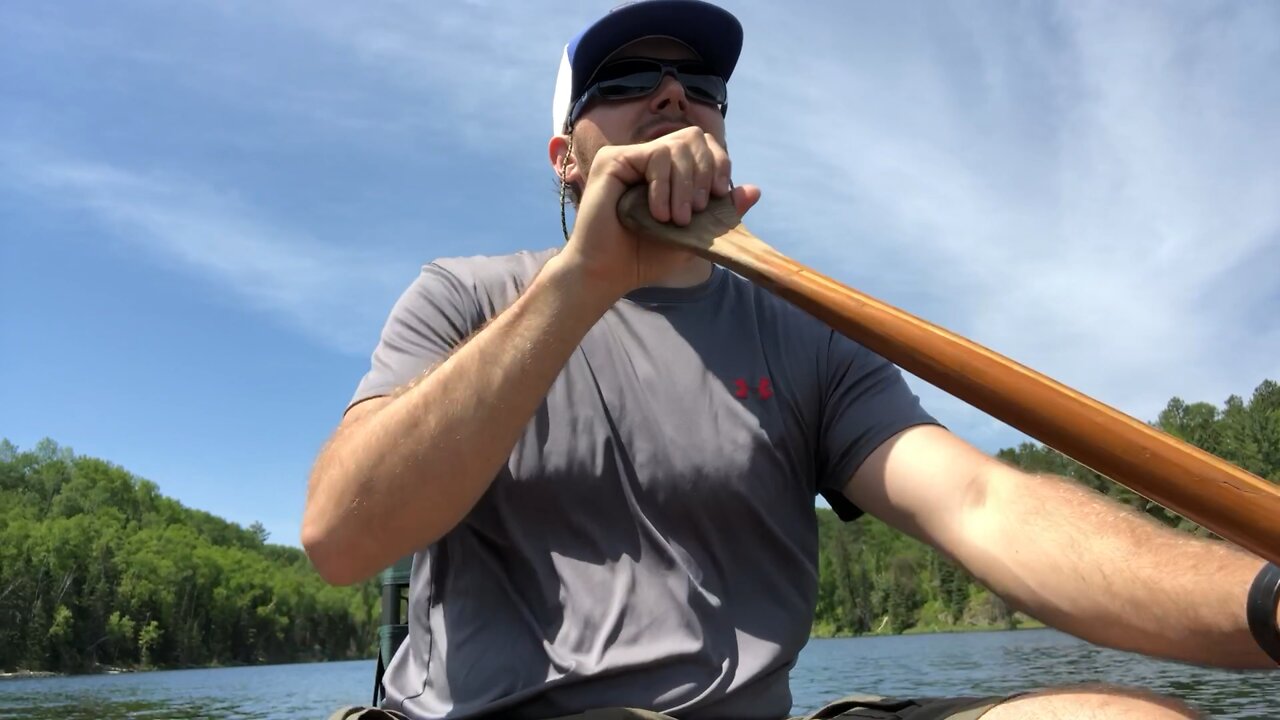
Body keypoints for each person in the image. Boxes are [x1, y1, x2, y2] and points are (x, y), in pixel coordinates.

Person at [301, 2, 1280, 719]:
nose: (674, 95)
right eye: (627, 81)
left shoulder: (803, 338)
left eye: (699, 86)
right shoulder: (465, 298)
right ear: (566, 156)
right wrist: (580, 283)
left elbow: (983, 507)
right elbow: (342, 539)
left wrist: (1263, 605)